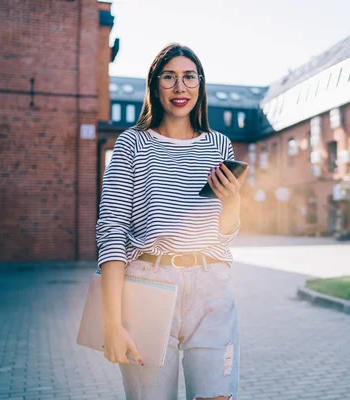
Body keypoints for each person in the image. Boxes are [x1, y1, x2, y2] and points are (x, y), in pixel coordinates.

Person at [95, 43, 247, 400]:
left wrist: (233, 202)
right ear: (155, 85)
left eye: (189, 77)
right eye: (169, 77)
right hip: (148, 285)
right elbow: (112, 232)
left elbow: (224, 235)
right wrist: (112, 323)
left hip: (212, 286)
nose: (180, 88)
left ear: (200, 85)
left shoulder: (219, 145)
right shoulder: (133, 144)